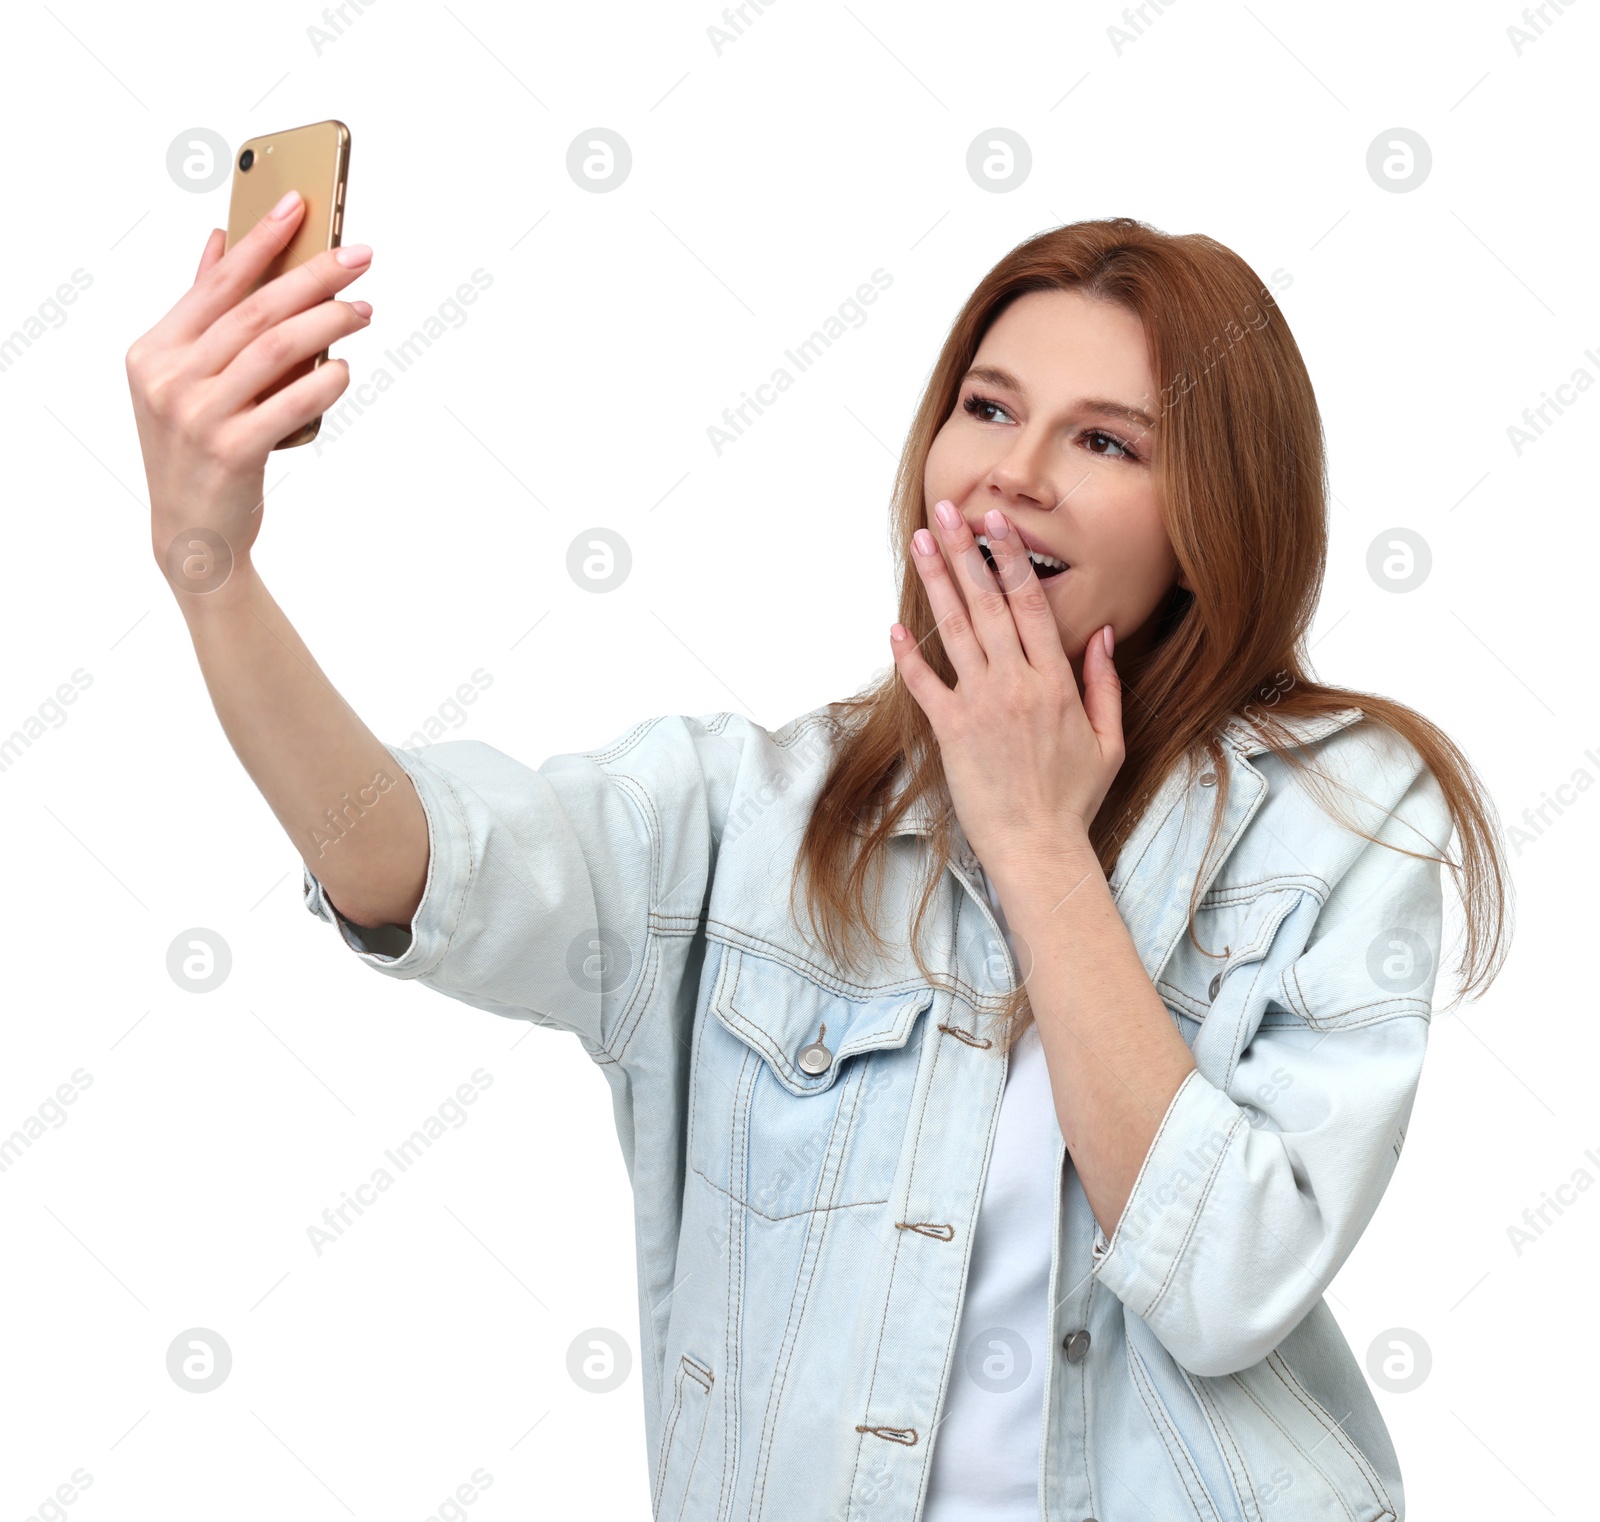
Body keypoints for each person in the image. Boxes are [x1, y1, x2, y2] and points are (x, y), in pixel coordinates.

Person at [126, 205, 1510, 1521]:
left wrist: (1034, 840)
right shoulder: (760, 814)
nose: (1013, 472)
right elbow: (408, 856)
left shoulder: (1342, 818)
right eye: (987, 408)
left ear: (1215, 519)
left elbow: (1229, 1282)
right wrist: (212, 570)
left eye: (1107, 442)